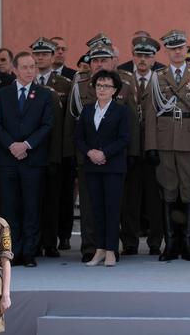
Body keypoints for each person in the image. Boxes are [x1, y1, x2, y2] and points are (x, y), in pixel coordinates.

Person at [145, 30, 190, 262]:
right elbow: (151, 113)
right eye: (172, 48)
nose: (176, 52)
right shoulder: (158, 76)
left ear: (186, 49)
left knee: (189, 192)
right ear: (167, 51)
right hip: (164, 141)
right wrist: (150, 146)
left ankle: (188, 244)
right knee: (168, 191)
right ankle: (170, 244)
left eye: (180, 48)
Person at [0, 52, 54, 267]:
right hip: (7, 160)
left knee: (31, 207)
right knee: (9, 209)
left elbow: (46, 125)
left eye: (33, 67)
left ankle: (29, 252)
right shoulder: (2, 94)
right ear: (15, 70)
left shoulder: (44, 95)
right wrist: (11, 145)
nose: (30, 71)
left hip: (32, 159)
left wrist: (26, 145)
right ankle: (12, 252)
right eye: (25, 67)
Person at [75, 70, 130, 267]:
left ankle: (111, 251)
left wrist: (104, 153)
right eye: (99, 85)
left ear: (114, 90)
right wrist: (90, 152)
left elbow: (124, 138)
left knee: (112, 209)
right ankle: (98, 250)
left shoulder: (121, 110)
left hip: (113, 167)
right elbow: (79, 137)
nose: (102, 89)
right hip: (92, 167)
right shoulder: (88, 110)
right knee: (96, 210)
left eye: (106, 86)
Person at [120, 35, 163, 256]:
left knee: (155, 197)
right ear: (133, 56)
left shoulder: (161, 78)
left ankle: (155, 241)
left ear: (155, 58)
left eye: (148, 55)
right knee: (130, 197)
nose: (143, 59)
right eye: (139, 55)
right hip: (129, 147)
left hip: (155, 146)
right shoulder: (123, 78)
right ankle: (130, 241)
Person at [31, 37, 71, 258]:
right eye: (37, 54)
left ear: (53, 55)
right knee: (33, 200)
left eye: (45, 54)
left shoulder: (64, 84)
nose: (41, 58)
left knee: (54, 200)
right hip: (30, 153)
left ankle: (51, 241)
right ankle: (34, 242)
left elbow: (64, 125)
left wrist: (59, 155)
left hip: (53, 151)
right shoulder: (26, 82)